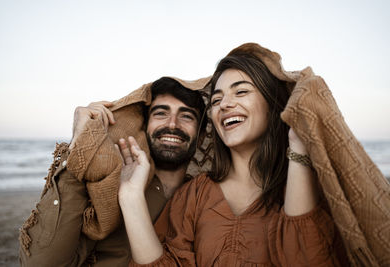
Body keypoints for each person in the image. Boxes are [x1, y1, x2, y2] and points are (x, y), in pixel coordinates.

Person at [117, 47, 348, 266]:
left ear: (272, 104)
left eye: (241, 91)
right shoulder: (194, 195)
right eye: (216, 100)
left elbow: (308, 258)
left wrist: (298, 146)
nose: (225, 104)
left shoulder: (307, 186)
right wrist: (130, 196)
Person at [19, 77, 208, 266]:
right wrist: (81, 146)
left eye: (186, 116)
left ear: (200, 138)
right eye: (161, 114)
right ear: (144, 127)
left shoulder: (203, 198)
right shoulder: (107, 189)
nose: (173, 124)